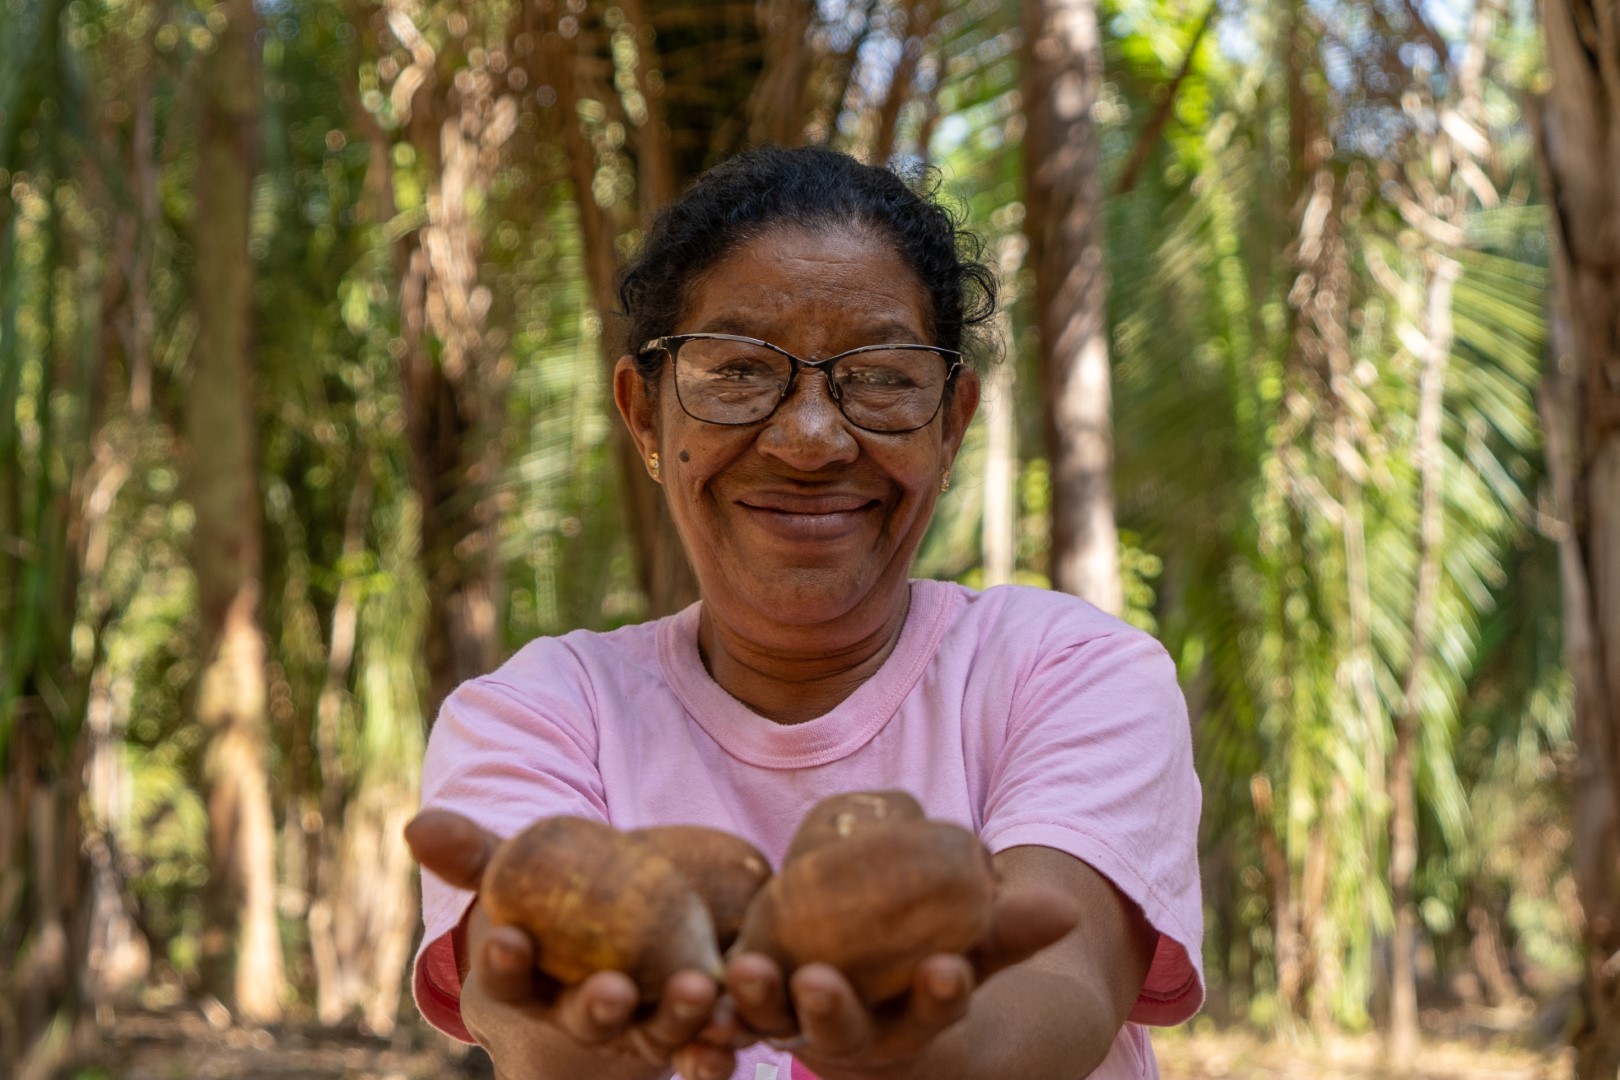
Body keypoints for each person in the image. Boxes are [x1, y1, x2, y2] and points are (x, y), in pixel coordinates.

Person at [406, 145, 1204, 1080]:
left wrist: (921, 1044)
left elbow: (1061, 989)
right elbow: (525, 995)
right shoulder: (540, 712)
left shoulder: (1069, 674)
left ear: (951, 424)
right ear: (644, 415)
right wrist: (581, 1032)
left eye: (881, 377)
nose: (811, 438)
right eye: (738, 370)